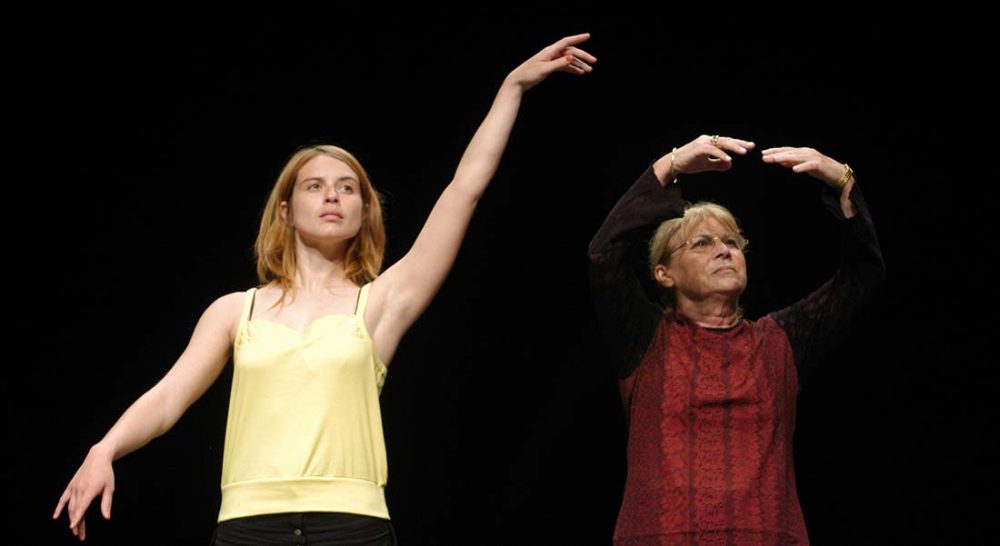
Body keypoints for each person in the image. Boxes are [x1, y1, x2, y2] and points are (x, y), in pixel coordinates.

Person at [53, 33, 597, 544]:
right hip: (248, 524)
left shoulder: (380, 302)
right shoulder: (234, 311)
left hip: (352, 524)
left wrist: (512, 88)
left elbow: (464, 189)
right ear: (286, 212)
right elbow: (169, 396)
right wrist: (106, 448)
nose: (333, 196)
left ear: (364, 212)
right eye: (315, 186)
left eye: (347, 189)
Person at [588, 134, 885, 544]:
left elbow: (860, 276)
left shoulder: (779, 343)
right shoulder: (645, 339)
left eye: (732, 242)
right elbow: (603, 254)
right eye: (703, 243)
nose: (724, 251)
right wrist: (670, 164)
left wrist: (843, 182)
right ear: (664, 273)